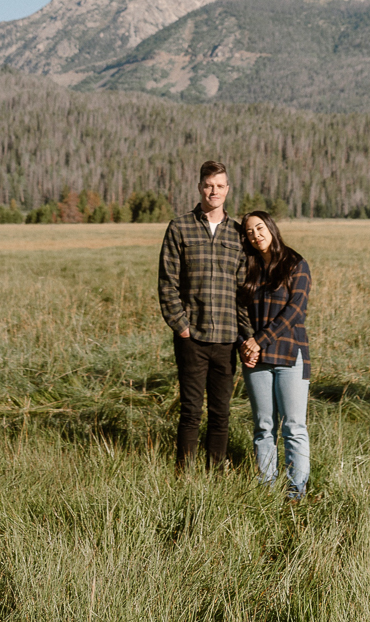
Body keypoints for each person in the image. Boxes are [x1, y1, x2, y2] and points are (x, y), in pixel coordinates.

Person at [158, 160, 246, 470]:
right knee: (191, 410)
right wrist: (181, 327)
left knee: (221, 412)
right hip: (191, 337)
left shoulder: (238, 233)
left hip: (226, 338)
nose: (214, 191)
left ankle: (215, 475)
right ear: (199, 187)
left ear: (227, 190)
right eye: (209, 185)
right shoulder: (179, 227)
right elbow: (167, 283)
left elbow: (243, 291)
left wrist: (244, 336)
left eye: (220, 185)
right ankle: (184, 475)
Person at [238, 210, 311, 500]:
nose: (255, 235)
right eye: (249, 232)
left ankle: (296, 491)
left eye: (259, 228)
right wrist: (246, 344)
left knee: (293, 426)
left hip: (290, 354)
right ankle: (266, 489)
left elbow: (295, 311)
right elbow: (240, 310)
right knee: (263, 426)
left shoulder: (295, 264)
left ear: (270, 227)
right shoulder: (249, 267)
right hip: (255, 358)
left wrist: (260, 340)